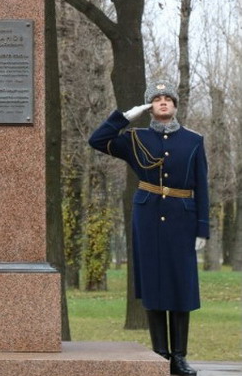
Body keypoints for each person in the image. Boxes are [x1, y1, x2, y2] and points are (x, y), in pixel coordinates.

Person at [88, 81, 209, 376]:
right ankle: (159, 355)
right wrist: (124, 117)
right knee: (154, 284)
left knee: (180, 286)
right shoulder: (135, 138)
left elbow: (202, 186)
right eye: (156, 99)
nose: (163, 102)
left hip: (182, 218)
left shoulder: (193, 140)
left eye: (168, 98)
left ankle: (179, 357)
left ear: (176, 105)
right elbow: (96, 140)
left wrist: (202, 228)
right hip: (148, 217)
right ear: (149, 107)